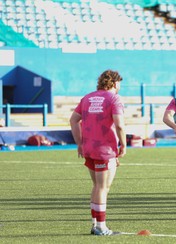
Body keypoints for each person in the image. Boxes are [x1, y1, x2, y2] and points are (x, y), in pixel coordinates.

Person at [69, 70, 126, 236]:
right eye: (119, 83)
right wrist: (123, 144)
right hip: (105, 150)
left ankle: (95, 224)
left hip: (89, 148)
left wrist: (79, 143)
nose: (120, 86)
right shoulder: (114, 98)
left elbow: (73, 120)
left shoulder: (87, 97)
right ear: (114, 83)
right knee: (102, 187)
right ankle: (101, 227)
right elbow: (120, 125)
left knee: (96, 186)